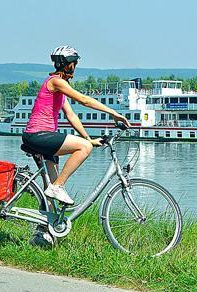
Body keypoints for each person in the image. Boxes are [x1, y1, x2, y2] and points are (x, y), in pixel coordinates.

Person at [22, 45, 131, 205]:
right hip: (38, 136)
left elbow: (71, 115)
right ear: (68, 64)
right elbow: (84, 100)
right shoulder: (56, 82)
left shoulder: (59, 88)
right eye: (74, 64)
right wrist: (113, 113)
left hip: (40, 137)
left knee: (51, 192)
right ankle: (58, 187)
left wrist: (88, 138)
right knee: (83, 148)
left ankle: (45, 226)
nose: (75, 67)